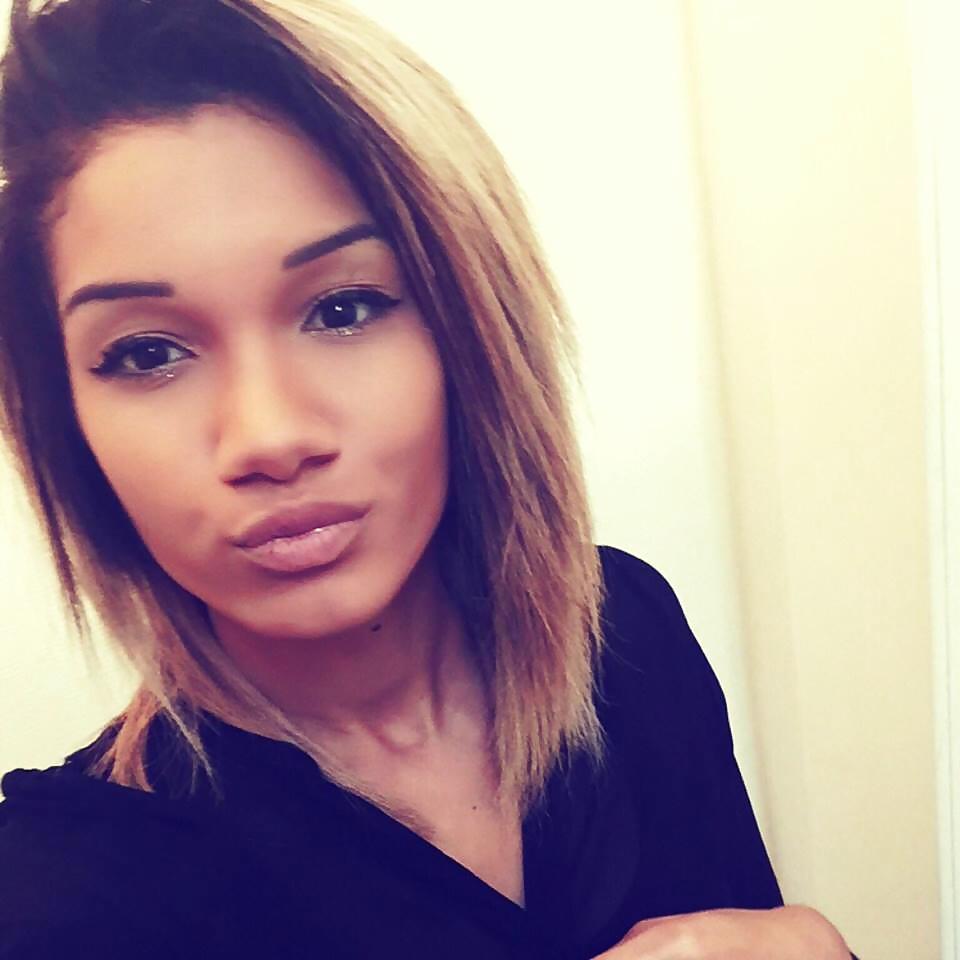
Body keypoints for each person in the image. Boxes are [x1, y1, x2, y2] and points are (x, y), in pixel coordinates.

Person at [0, 1, 857, 957]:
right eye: (147, 353)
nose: (270, 436)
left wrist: (814, 946)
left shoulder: (626, 633)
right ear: (67, 423)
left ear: (471, 329)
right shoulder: (63, 899)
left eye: (344, 308)